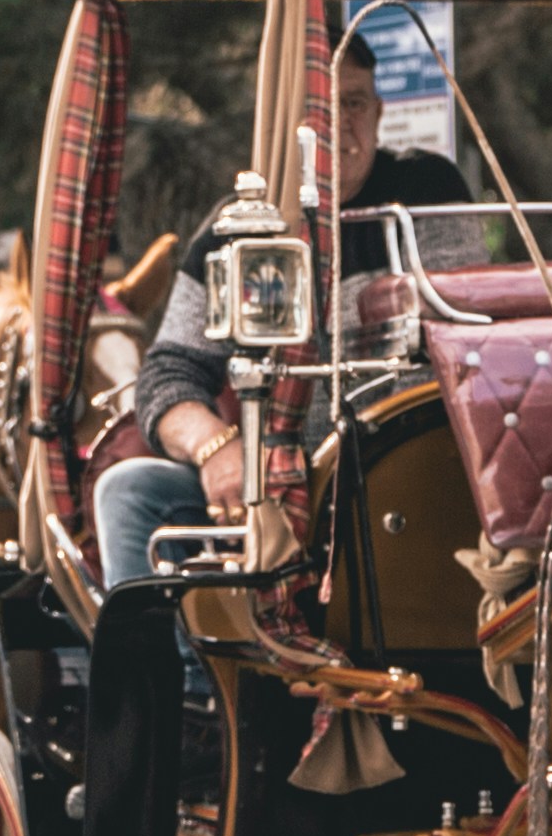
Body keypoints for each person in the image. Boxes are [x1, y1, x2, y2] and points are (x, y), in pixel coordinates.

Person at [96, 36, 469, 584]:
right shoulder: (238, 225)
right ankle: (188, 671)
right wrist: (217, 448)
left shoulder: (425, 194)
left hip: (406, 466)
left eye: (356, 103)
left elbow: (454, 331)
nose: (340, 124)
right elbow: (166, 373)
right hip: (278, 482)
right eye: (320, 108)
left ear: (381, 112)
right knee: (126, 492)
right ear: (283, 123)